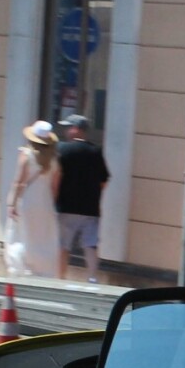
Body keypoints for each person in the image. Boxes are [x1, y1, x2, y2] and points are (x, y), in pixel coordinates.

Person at [52, 113, 108, 281]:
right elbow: (104, 180)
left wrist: (54, 198)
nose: (67, 131)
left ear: (76, 129)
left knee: (63, 245)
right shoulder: (96, 151)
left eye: (68, 127)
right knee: (90, 244)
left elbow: (56, 176)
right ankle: (92, 277)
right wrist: (94, 195)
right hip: (90, 208)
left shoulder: (62, 149)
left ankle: (60, 278)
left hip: (66, 206)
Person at [3, 120, 63, 278]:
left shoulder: (26, 155)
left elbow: (18, 182)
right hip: (45, 202)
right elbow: (55, 187)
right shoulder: (55, 160)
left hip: (28, 200)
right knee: (42, 238)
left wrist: (12, 203)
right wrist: (50, 203)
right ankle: (42, 272)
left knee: (21, 236)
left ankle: (21, 269)